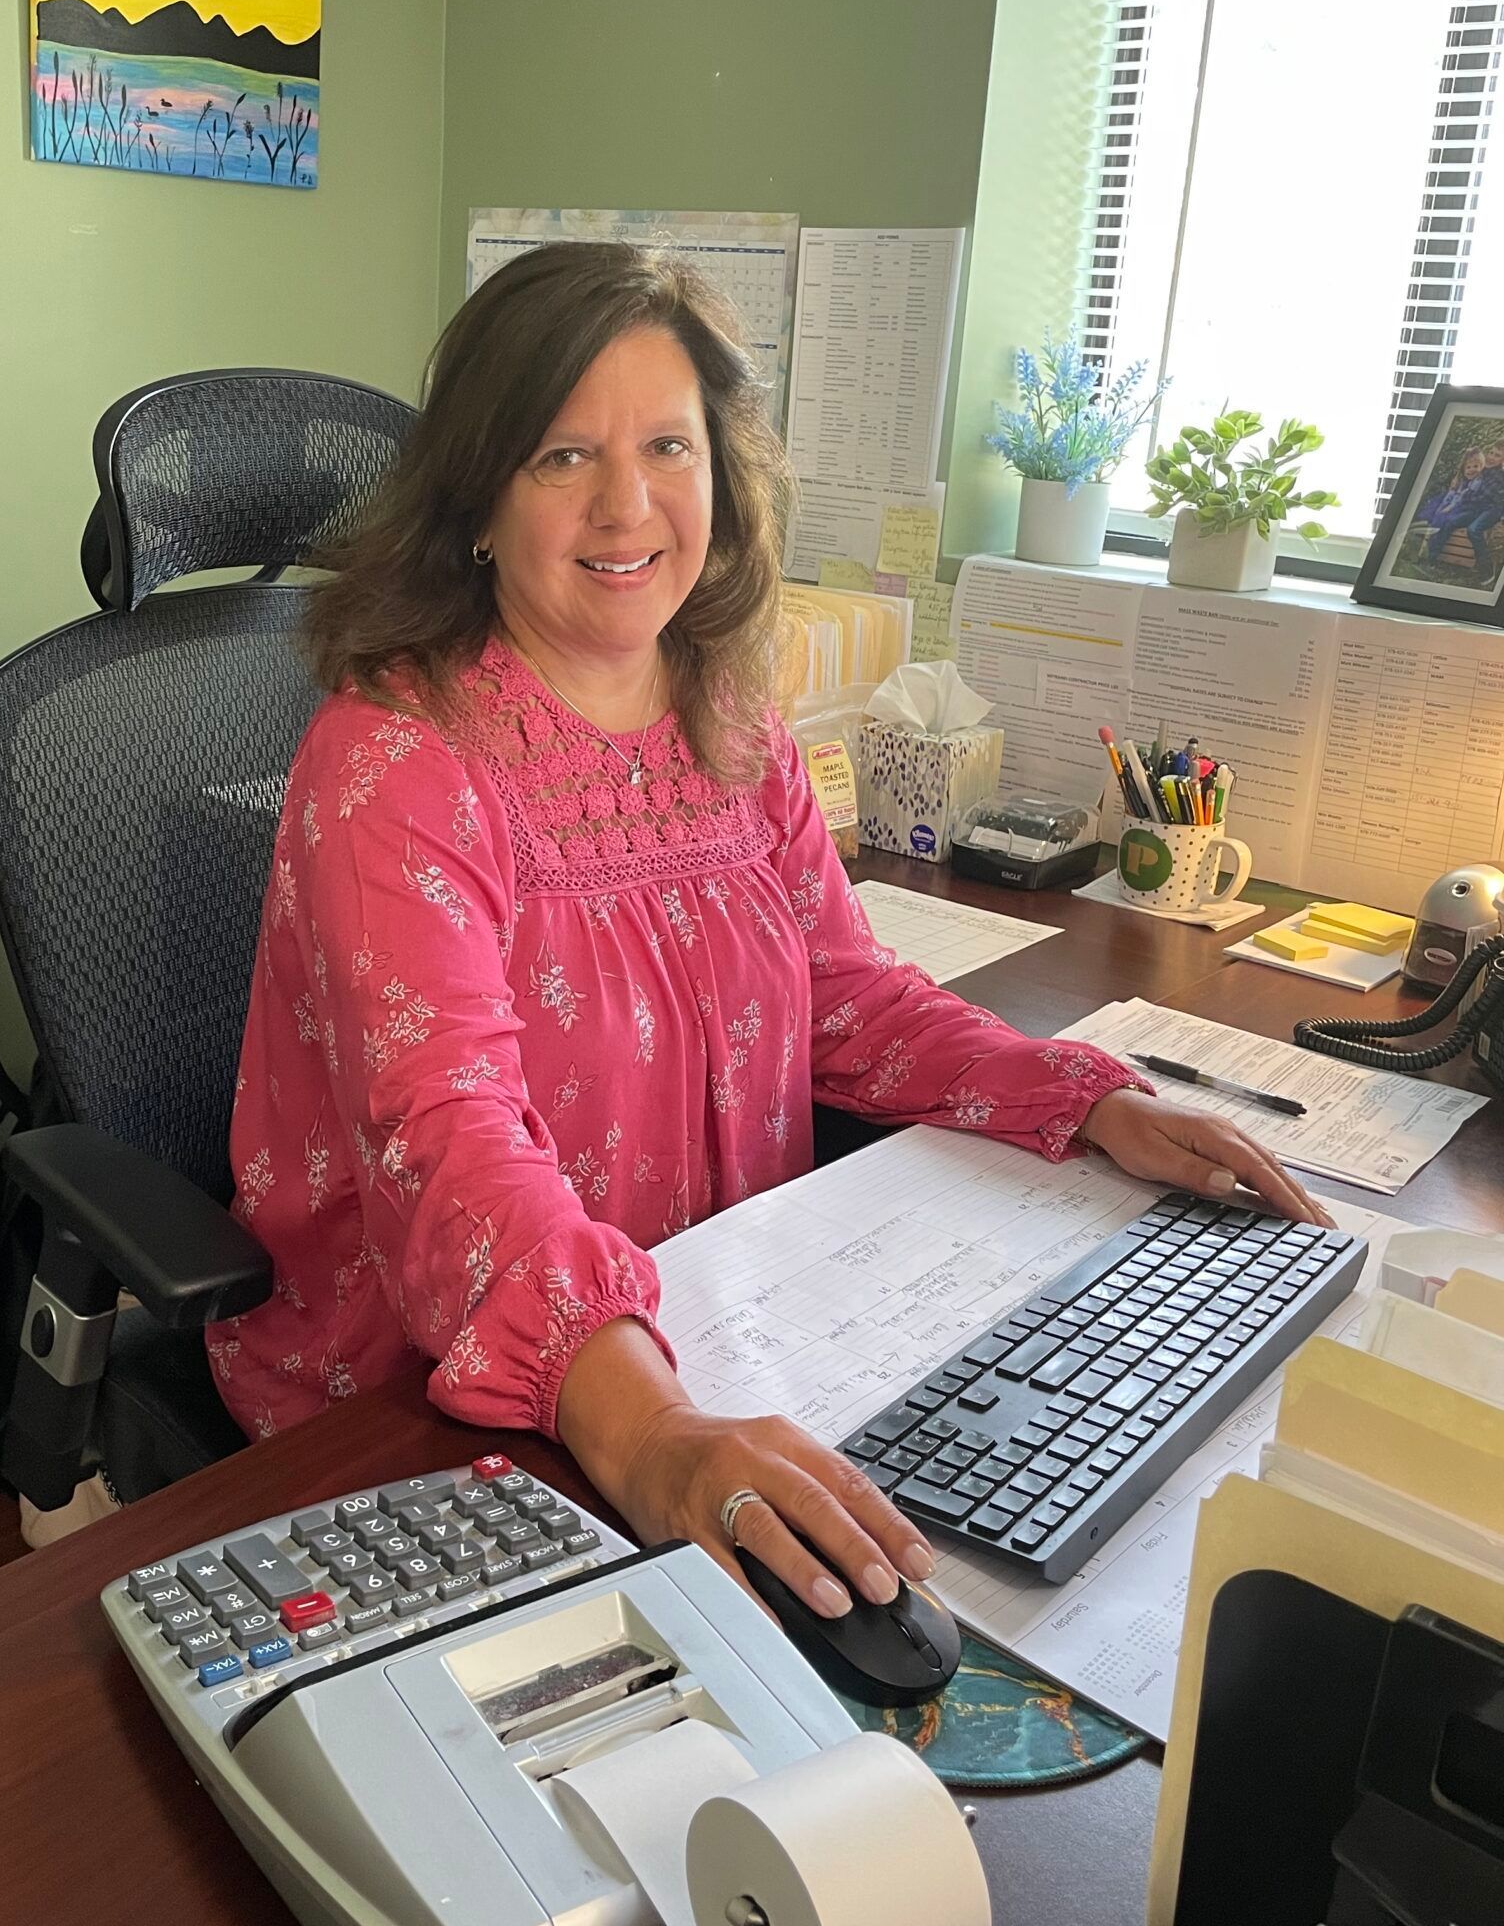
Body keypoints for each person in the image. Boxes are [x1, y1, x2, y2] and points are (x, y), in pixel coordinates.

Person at [215, 244, 1330, 1627]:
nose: (628, 503)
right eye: (563, 456)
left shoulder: (728, 716)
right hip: (448, 1394)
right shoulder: (395, 763)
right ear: (479, 502)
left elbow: (843, 997)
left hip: (729, 1330)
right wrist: (655, 1436)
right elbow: (451, 1147)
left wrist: (1089, 1098)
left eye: (666, 445)